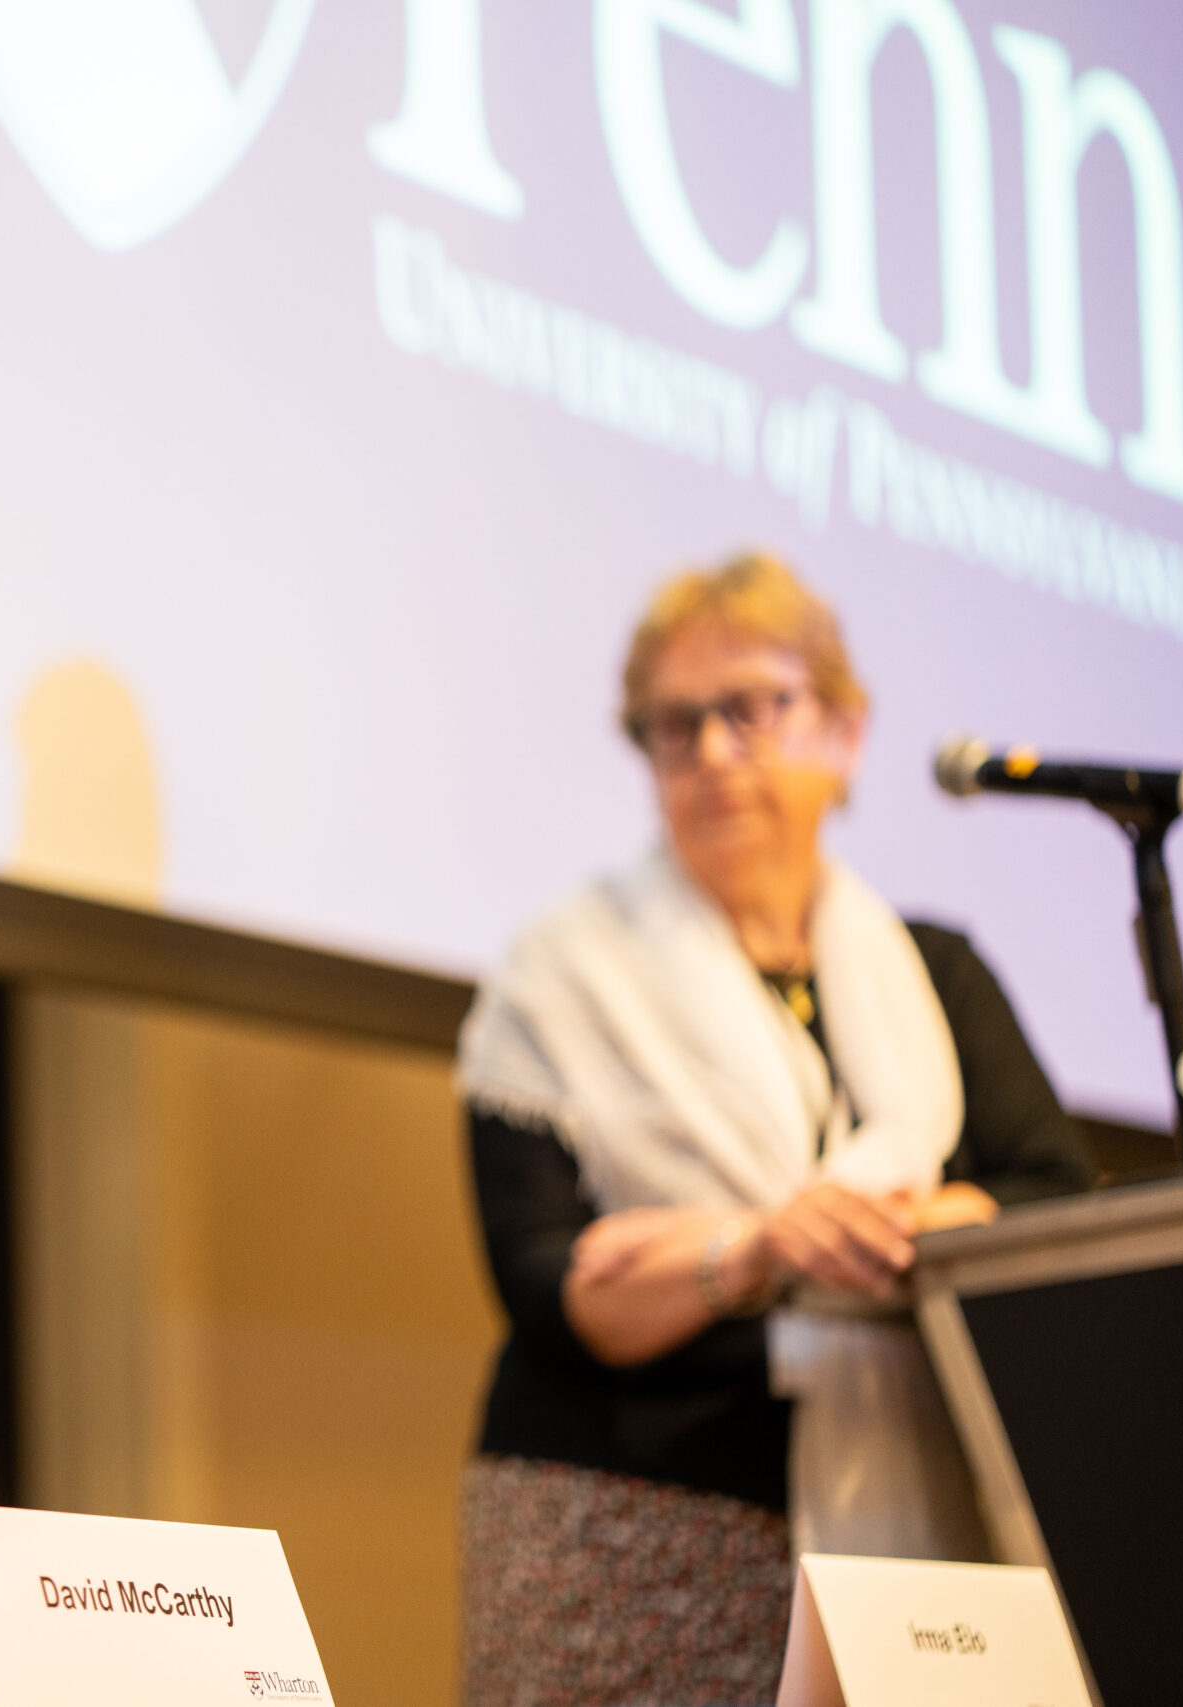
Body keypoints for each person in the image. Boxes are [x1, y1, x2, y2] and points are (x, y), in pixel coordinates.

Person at [453, 554, 1090, 1707]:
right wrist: (757, 1247)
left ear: (843, 733)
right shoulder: (562, 976)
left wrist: (908, 1221)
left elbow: (1051, 1195)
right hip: (627, 1531)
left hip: (902, 1536)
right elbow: (546, 1281)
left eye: (751, 708)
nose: (710, 751)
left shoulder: (934, 972)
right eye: (672, 725)